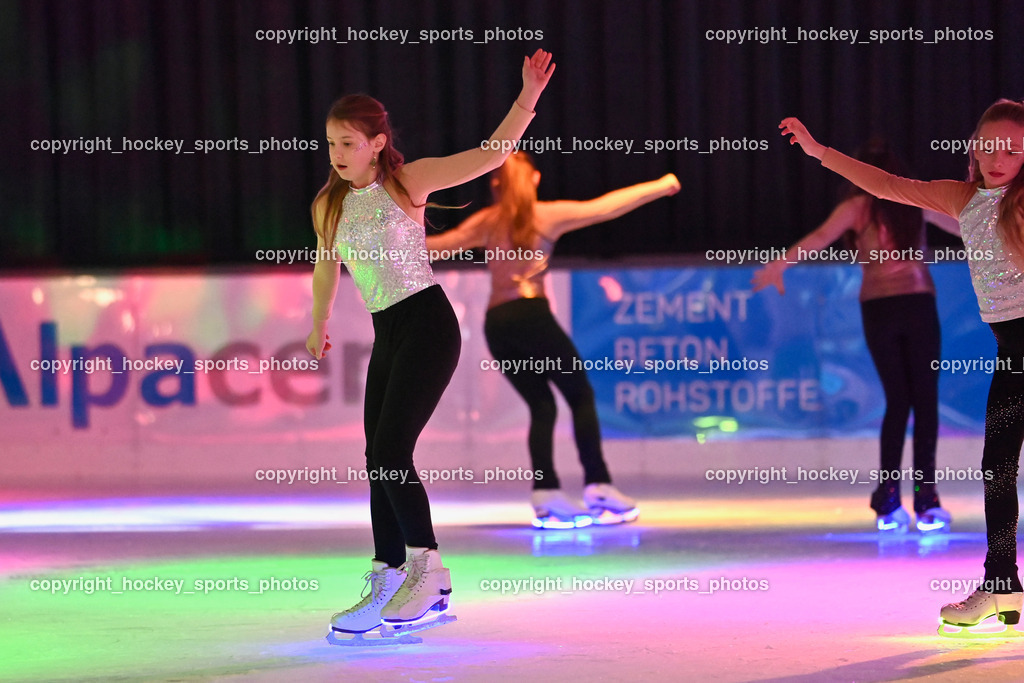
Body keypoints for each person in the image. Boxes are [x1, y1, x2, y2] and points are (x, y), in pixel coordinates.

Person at [307, 50, 555, 640]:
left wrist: (527, 97)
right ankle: (387, 575)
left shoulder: (407, 182)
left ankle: (431, 571)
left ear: (376, 142)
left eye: (347, 143)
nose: (337, 154)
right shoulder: (328, 203)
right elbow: (325, 267)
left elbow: (490, 154)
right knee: (376, 458)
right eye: (331, 143)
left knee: (391, 449)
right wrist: (317, 322)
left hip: (427, 323)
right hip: (387, 330)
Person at [779, 100, 1024, 631]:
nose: (998, 156)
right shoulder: (962, 199)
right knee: (998, 468)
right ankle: (1002, 583)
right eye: (989, 145)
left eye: (1012, 148)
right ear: (973, 148)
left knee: (999, 464)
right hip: (1013, 353)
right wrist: (821, 151)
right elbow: (886, 184)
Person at [426, 152, 680, 528]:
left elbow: (438, 246)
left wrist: (373, 244)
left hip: (497, 324)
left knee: (542, 405)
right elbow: (603, 208)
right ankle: (598, 483)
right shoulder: (546, 215)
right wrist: (661, 186)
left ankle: (546, 493)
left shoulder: (486, 222)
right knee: (580, 395)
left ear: (496, 185)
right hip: (532, 316)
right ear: (534, 180)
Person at [752, 140, 959, 534]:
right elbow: (967, 226)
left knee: (899, 402)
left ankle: (889, 498)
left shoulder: (857, 206)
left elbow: (818, 237)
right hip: (916, 306)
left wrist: (780, 264)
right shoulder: (910, 200)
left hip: (880, 309)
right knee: (924, 402)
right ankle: (926, 499)